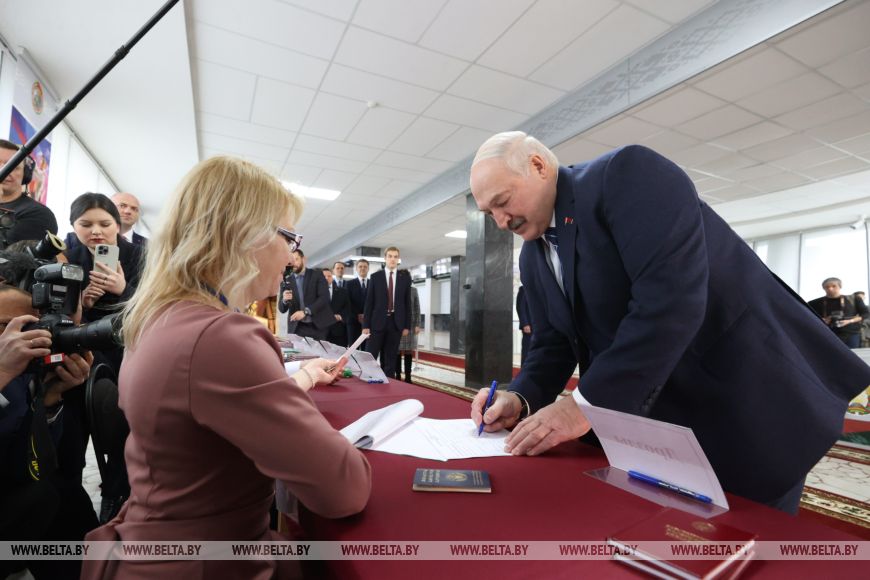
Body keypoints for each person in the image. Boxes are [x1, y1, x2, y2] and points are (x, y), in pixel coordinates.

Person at [469, 131, 870, 514]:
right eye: (490, 214)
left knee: (742, 545)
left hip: (741, 400)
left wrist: (582, 407)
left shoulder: (625, 176)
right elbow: (553, 344)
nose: (501, 222)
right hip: (653, 421)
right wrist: (520, 397)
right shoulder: (533, 256)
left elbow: (670, 304)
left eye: (503, 202)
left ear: (538, 165)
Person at [81, 156, 371, 579]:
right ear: (244, 234)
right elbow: (344, 489)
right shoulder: (221, 336)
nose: (293, 257)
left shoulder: (161, 316)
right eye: (289, 238)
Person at [0, 284, 96, 580]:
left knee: (63, 499)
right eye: (6, 327)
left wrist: (52, 397)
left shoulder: (24, 376)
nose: (18, 340)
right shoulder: (7, 368)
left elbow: (31, 465)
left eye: (30, 328)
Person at [63, 192, 144, 523]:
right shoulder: (66, 256)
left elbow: (147, 310)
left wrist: (123, 290)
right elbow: (61, 315)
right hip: (78, 351)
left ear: (118, 225)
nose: (95, 231)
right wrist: (81, 300)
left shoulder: (140, 255)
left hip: (125, 350)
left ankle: (115, 494)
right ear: (73, 226)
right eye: (86, 224)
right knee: (73, 428)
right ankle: (71, 499)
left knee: (126, 426)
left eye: (104, 223)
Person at [0, 139, 59, 249]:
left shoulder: (39, 214)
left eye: (12, 166)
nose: (3, 170)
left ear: (25, 174)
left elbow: (8, 258)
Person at [363, 247, 411, 379]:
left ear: (398, 259)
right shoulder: (375, 277)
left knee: (390, 357)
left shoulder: (404, 278)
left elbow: (407, 303)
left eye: (395, 256)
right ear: (385, 258)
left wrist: (407, 325)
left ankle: (388, 382)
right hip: (377, 322)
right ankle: (368, 378)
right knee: (370, 354)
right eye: (390, 256)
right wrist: (365, 325)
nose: (393, 259)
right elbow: (369, 303)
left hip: (396, 323)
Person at [277, 249, 333, 339]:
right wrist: (284, 300)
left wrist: (305, 312)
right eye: (290, 261)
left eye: (296, 259)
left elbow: (324, 298)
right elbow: (282, 309)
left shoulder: (317, 275)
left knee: (319, 353)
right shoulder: (286, 279)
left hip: (318, 325)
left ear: (304, 259)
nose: (293, 263)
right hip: (297, 327)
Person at [807, 278, 869, 348]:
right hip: (827, 333)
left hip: (851, 334)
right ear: (823, 288)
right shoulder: (814, 303)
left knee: (852, 355)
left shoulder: (854, 299)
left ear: (840, 286)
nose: (830, 289)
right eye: (827, 287)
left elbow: (865, 314)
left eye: (834, 286)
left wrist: (850, 321)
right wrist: (822, 320)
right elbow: (807, 316)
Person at [395, 274, 420, 383]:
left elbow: (417, 308)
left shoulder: (413, 291)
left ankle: (408, 376)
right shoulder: (395, 290)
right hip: (397, 324)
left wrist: (417, 324)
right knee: (397, 351)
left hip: (411, 324)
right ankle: (398, 375)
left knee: (409, 351)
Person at [324, 268, 350, 347]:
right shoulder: (314, 293)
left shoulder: (343, 292)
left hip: (338, 332)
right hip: (320, 332)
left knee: (338, 358)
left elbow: (348, 309)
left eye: (329, 276)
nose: (326, 278)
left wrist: (341, 316)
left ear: (332, 277)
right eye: (324, 276)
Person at [346, 258, 370, 346]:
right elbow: (348, 303)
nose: (362, 268)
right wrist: (358, 315)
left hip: (368, 324)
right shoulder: (349, 284)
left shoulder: (373, 284)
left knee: (366, 351)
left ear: (368, 269)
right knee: (353, 349)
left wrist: (365, 315)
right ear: (356, 268)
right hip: (353, 322)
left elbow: (375, 303)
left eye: (365, 267)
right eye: (360, 266)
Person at [516, 285, 532, 365]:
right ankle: (525, 373)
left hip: (540, 328)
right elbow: (520, 307)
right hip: (529, 327)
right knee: (527, 352)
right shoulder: (523, 289)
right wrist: (525, 324)